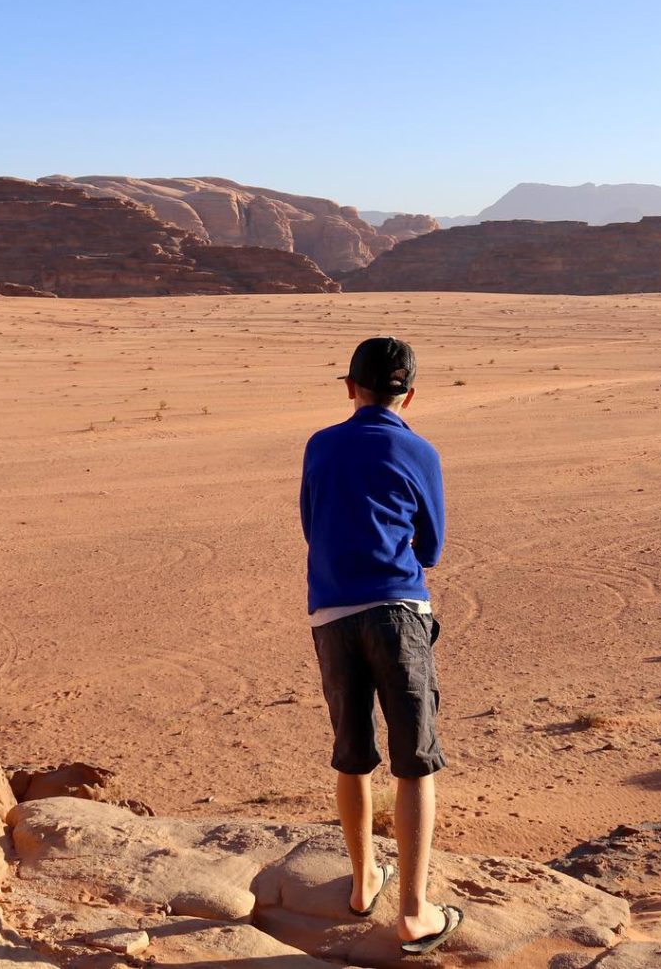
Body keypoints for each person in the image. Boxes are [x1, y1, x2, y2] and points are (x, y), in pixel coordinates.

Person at [300, 337, 464, 956]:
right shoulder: (418, 448)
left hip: (332, 610)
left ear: (350, 387)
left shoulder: (321, 444)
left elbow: (312, 525)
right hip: (397, 610)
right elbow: (432, 547)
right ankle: (415, 914)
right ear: (410, 394)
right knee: (415, 758)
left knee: (351, 752)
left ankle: (363, 878)